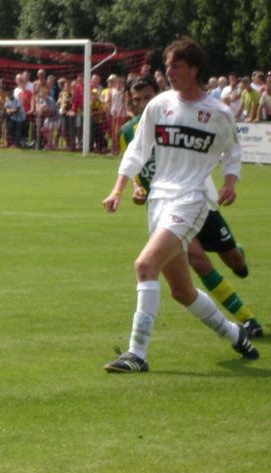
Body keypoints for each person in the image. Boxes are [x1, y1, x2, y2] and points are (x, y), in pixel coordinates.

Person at [102, 37, 258, 373]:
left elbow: (233, 153)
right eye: (168, 65)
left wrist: (230, 182)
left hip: (191, 200)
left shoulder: (218, 113)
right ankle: (236, 334)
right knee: (182, 291)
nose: (169, 71)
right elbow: (138, 150)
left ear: (195, 69)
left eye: (176, 65)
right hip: (159, 199)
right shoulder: (160, 105)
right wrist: (118, 189)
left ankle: (136, 354)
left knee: (145, 265)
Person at [122, 75, 263, 340]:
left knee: (235, 262)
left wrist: (229, 181)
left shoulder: (178, 114)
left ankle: (236, 253)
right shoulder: (129, 131)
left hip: (198, 201)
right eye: (137, 99)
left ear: (159, 92)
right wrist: (136, 188)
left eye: (147, 97)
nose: (143, 103)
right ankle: (247, 320)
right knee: (196, 259)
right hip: (167, 209)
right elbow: (135, 162)